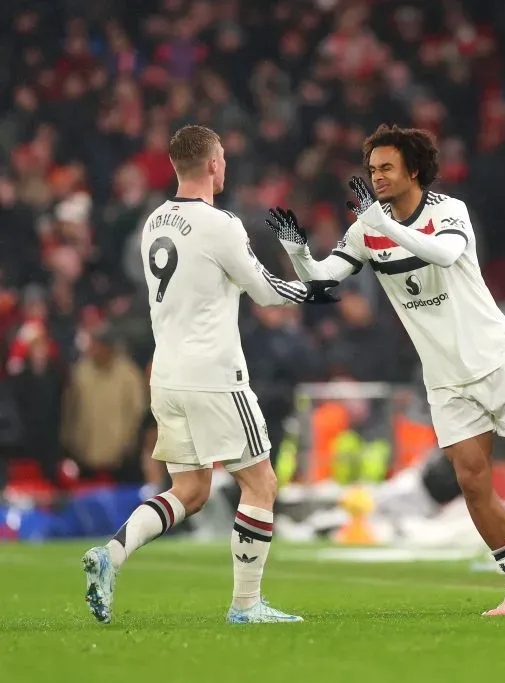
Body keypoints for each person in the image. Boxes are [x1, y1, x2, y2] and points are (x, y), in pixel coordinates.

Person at [266, 123, 505, 616]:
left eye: (386, 167)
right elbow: (321, 278)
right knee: (472, 480)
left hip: (496, 359)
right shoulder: (367, 228)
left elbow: (444, 253)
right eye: (372, 169)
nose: (377, 176)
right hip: (445, 379)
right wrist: (297, 249)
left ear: (413, 169)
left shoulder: (449, 212)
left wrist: (387, 227)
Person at [81, 125, 340, 625]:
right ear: (214, 164)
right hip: (215, 376)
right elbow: (264, 292)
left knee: (190, 491)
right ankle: (246, 606)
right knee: (261, 482)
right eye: (223, 158)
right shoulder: (221, 225)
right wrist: (319, 291)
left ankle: (110, 556)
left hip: (168, 375)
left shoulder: (153, 222)